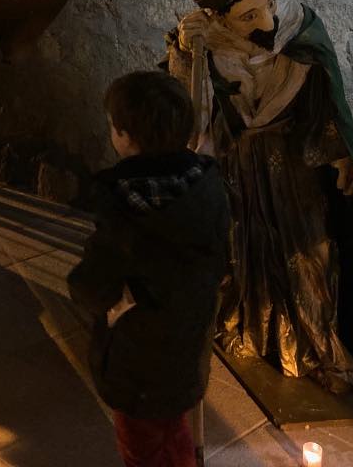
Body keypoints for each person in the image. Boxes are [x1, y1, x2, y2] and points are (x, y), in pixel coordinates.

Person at [167, 0, 353, 393]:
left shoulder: (299, 29)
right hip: (239, 166)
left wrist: (341, 154)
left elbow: (328, 102)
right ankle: (254, 334)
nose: (266, 21)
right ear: (219, 16)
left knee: (310, 253)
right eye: (249, 15)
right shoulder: (204, 43)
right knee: (245, 251)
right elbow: (189, 118)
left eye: (269, 4)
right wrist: (188, 56)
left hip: (293, 164)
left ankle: (323, 349)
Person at [68, 71, 230, 467]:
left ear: (125, 136)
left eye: (112, 127)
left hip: (137, 361)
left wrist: (88, 289)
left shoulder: (123, 208)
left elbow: (94, 284)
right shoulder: (206, 187)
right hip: (187, 343)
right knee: (172, 426)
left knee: (140, 446)